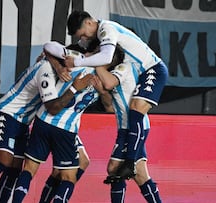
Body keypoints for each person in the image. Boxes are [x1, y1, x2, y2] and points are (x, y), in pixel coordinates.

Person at [0, 43, 90, 203]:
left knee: (15, 168)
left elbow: (48, 50)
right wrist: (72, 86)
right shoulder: (46, 70)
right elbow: (52, 106)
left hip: (24, 122)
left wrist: (58, 65)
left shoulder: (56, 69)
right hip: (7, 113)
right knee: (4, 160)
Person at [11, 41, 124, 203]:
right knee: (69, 177)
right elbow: (110, 107)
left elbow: (49, 46)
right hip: (65, 129)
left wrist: (57, 65)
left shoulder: (78, 58)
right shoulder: (106, 80)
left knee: (29, 169)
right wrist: (57, 66)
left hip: (43, 121)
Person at [65, 10, 168, 184]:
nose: (85, 38)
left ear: (90, 23)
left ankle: (129, 163)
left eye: (83, 34)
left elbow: (104, 57)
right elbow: (80, 50)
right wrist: (57, 56)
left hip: (153, 69)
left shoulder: (107, 29)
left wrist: (78, 62)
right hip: (141, 76)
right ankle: (130, 163)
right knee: (128, 173)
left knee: (136, 107)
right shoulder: (96, 36)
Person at [95, 52, 162, 202]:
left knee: (114, 168)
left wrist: (95, 64)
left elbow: (108, 83)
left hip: (133, 127)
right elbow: (109, 107)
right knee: (140, 175)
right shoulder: (115, 72)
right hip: (127, 127)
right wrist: (102, 92)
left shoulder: (123, 68)